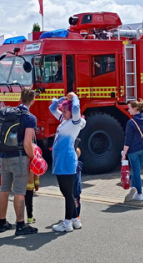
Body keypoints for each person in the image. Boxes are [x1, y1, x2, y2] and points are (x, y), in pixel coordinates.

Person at [0, 88, 38, 236]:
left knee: (4, 190)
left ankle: (2, 222)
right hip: (19, 158)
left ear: (20, 98)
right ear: (32, 100)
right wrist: (33, 159)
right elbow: (27, 143)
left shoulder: (9, 113)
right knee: (20, 192)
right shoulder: (29, 117)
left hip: (4, 157)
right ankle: (20, 225)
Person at [49, 92, 86, 232]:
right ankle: (75, 220)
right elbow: (52, 110)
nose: (62, 113)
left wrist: (75, 97)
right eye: (62, 111)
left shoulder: (75, 121)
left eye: (65, 111)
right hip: (62, 160)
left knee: (67, 193)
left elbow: (76, 109)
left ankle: (67, 223)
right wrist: (57, 102)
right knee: (67, 192)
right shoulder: (65, 120)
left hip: (66, 160)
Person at [122, 99, 143, 201]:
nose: (128, 110)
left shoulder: (131, 122)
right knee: (137, 169)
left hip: (134, 150)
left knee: (136, 171)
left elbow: (128, 139)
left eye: (129, 108)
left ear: (135, 109)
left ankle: (139, 193)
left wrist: (124, 153)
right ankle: (134, 188)